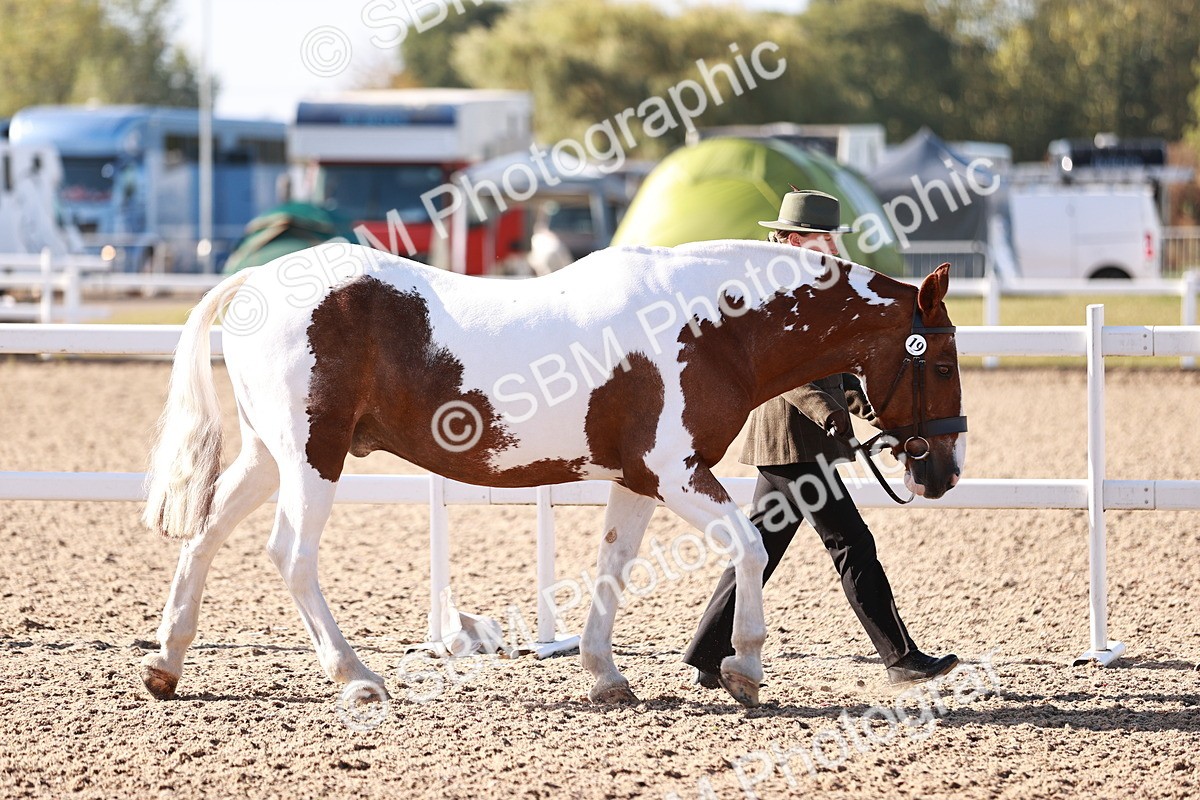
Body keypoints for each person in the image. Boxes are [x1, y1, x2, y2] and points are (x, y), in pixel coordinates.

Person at [683, 190, 959, 689]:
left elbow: (843, 374)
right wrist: (830, 416)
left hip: (801, 445)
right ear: (793, 239)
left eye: (833, 238)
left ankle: (707, 652)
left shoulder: (814, 287)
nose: (834, 247)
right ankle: (900, 658)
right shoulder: (776, 291)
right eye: (823, 238)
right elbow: (788, 376)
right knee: (852, 544)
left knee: (762, 547)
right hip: (792, 439)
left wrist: (883, 422)